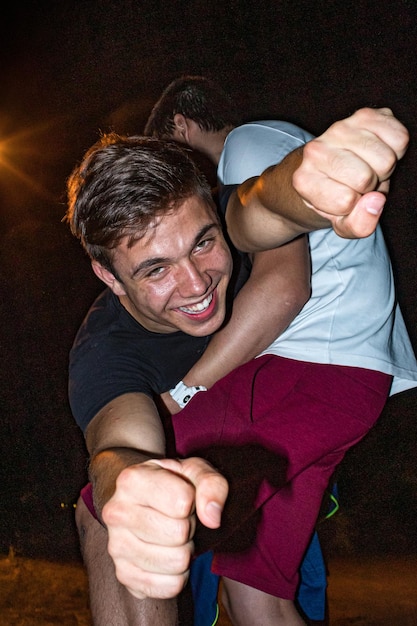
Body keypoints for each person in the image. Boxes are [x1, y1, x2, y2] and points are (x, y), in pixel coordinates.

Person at [66, 111, 412, 626]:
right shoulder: (104, 354)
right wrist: (128, 486)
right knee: (248, 590)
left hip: (317, 385)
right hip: (331, 401)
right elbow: (119, 448)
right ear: (109, 277)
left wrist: (306, 187)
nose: (196, 284)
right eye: (156, 270)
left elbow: (264, 204)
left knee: (97, 514)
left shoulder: (228, 220)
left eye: (202, 243)